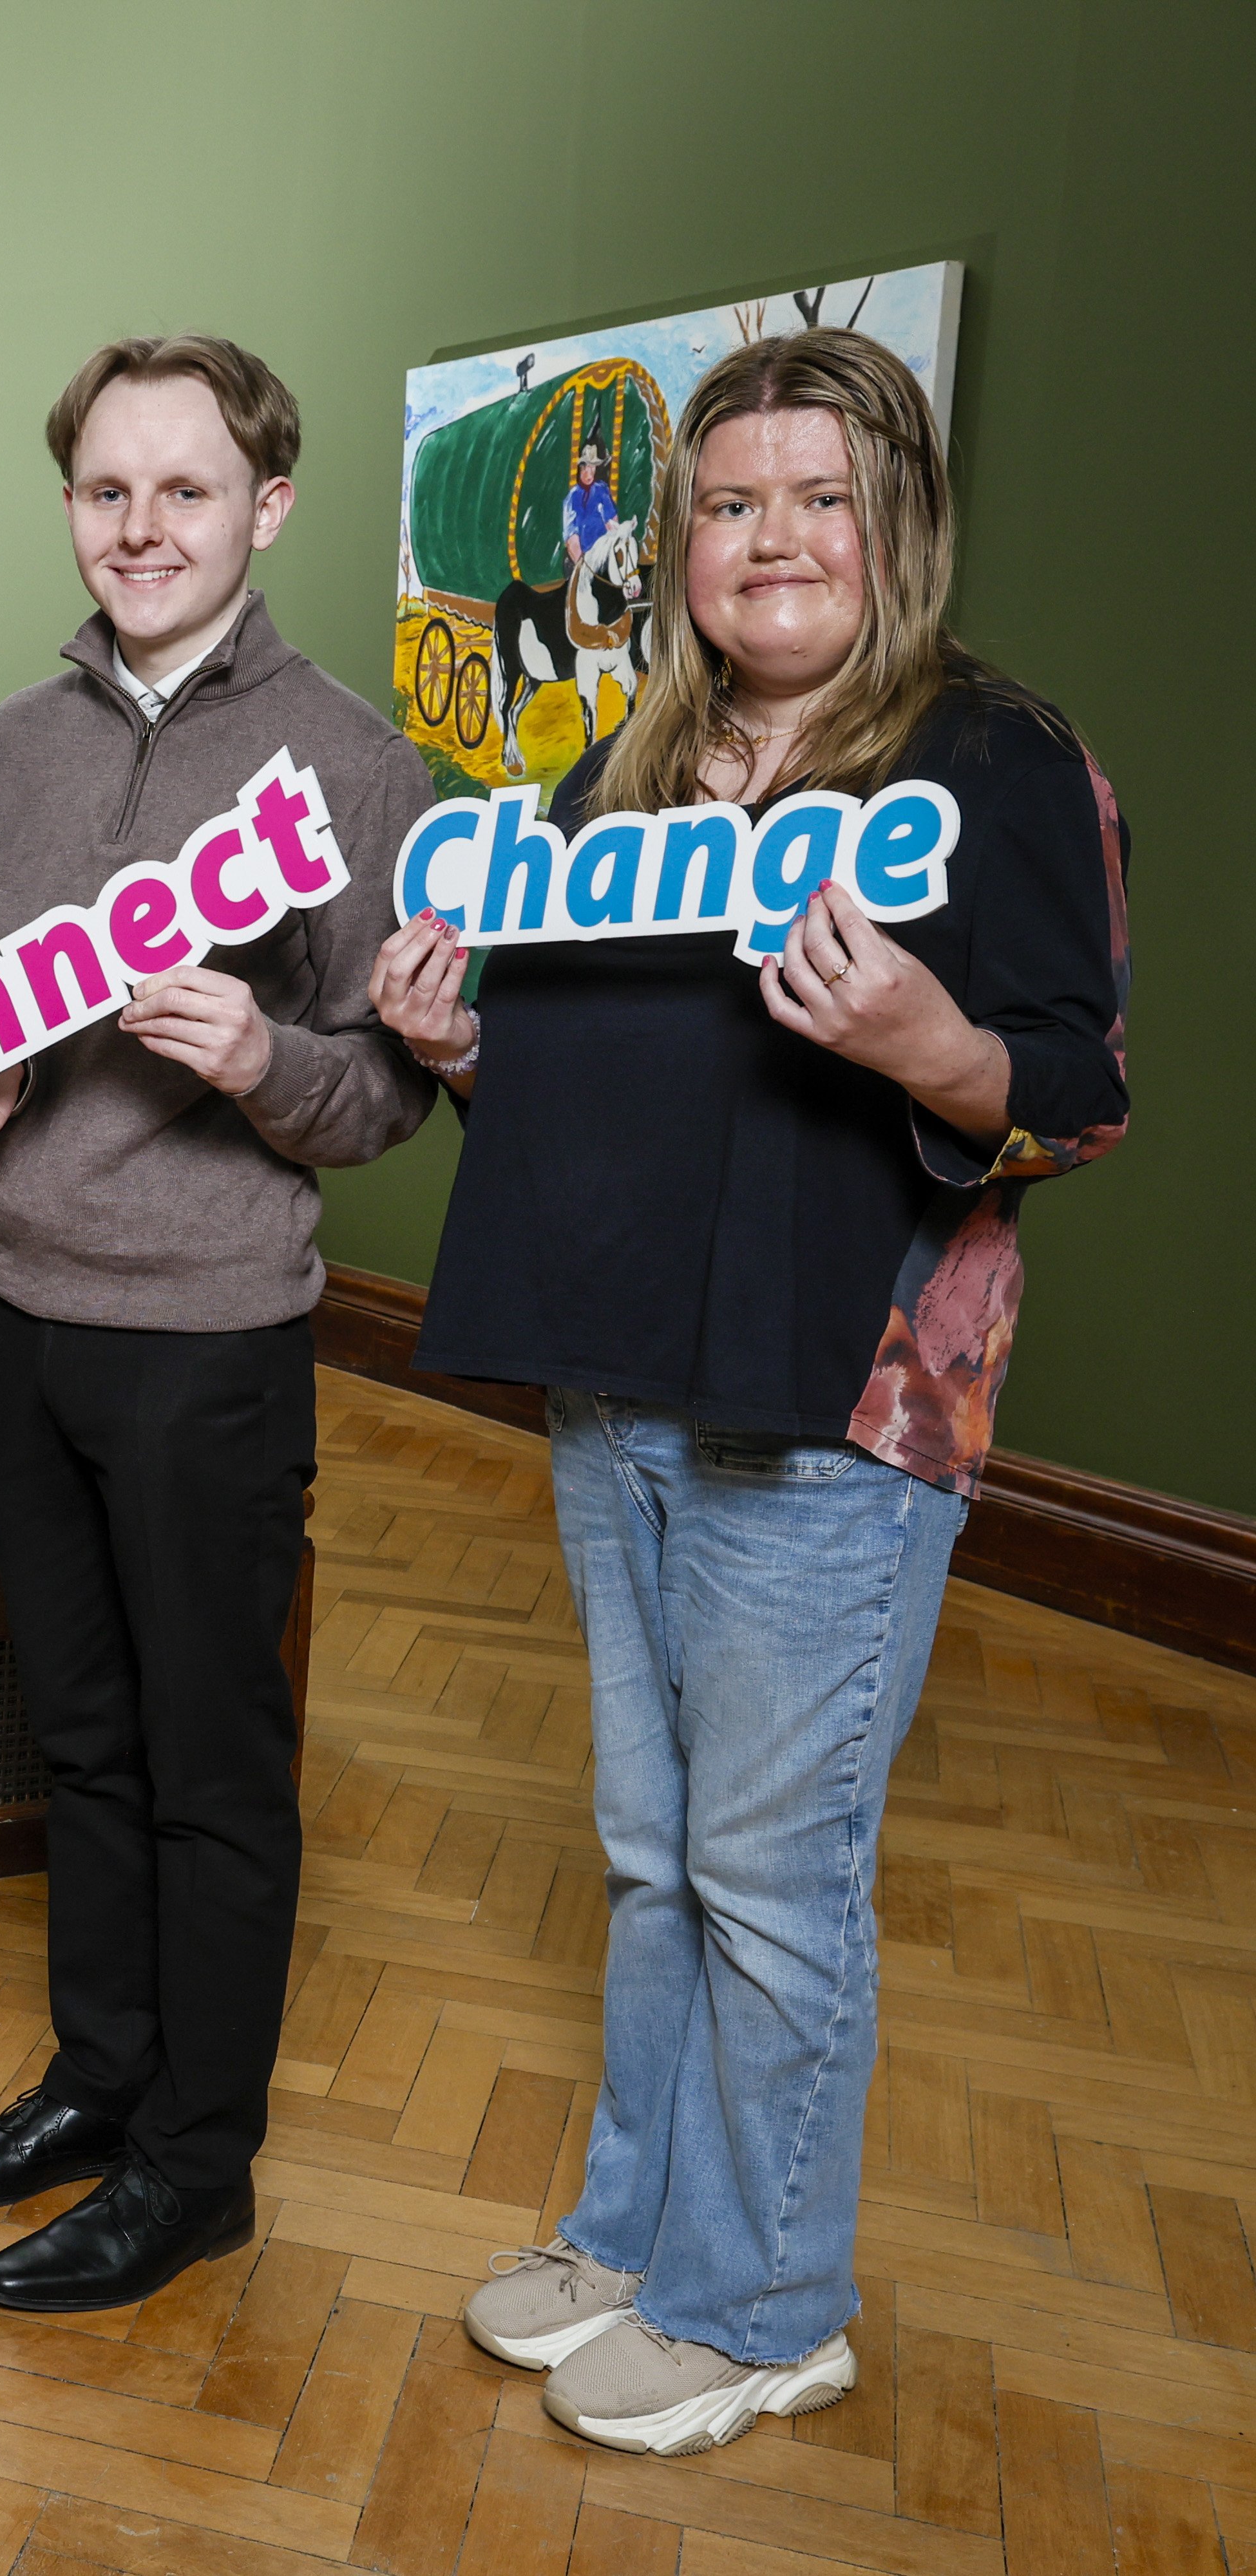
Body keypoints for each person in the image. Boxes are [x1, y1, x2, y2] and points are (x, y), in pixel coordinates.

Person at [369, 328, 1129, 2455]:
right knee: (646, 1853)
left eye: (818, 496)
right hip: (620, 1378)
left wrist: (925, 1046)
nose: (770, 537)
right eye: (728, 501)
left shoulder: (992, 760)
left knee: (771, 1882)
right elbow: (595, 1103)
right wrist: (448, 1049)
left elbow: (1074, 1090)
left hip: (841, 1402)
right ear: (675, 543)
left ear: (893, 522)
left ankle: (769, 2295)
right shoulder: (616, 774)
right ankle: (639, 2233)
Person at [0, 335, 437, 2311]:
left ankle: (200, 2166)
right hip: (17, 1311)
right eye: (107, 490)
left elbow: (386, 1095)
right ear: (72, 510)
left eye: (182, 490)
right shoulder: (11, 749)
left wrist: (264, 1053)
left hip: (209, 1343)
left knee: (213, 1764)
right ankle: (98, 2083)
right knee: (83, 1742)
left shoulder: (359, 768)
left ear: (265, 505)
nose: (141, 526)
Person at [564, 437, 616, 572]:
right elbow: (572, 537)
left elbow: (613, 523)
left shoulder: (602, 490)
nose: (590, 473)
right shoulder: (573, 497)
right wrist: (583, 566)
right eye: (586, 467)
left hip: (604, 558)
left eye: (593, 467)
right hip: (581, 561)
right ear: (581, 469)